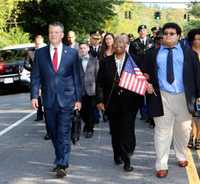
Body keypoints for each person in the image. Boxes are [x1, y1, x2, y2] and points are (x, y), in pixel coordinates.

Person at [145, 22, 200, 178]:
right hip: (161, 96)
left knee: (183, 131)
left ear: (179, 36)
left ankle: (181, 155)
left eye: (171, 34)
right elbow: (144, 73)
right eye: (166, 33)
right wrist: (146, 82)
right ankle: (161, 164)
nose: (168, 36)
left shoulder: (189, 54)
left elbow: (197, 75)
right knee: (162, 132)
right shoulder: (152, 54)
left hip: (184, 97)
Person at [31, 22, 81, 178]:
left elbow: (77, 77)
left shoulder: (72, 53)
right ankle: (60, 157)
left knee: (63, 132)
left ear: (62, 34)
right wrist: (34, 95)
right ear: (49, 34)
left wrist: (78, 99)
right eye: (51, 32)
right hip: (49, 100)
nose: (53, 35)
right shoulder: (40, 54)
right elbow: (36, 76)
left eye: (56, 32)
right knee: (52, 132)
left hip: (67, 99)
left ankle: (62, 163)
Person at [96, 35, 143, 172]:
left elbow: (141, 79)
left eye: (122, 42)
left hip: (130, 104)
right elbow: (99, 83)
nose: (118, 45)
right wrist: (99, 100)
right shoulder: (105, 62)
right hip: (111, 103)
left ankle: (127, 158)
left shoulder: (134, 61)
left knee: (127, 131)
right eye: (116, 42)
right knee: (115, 131)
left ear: (127, 44)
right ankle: (117, 153)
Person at [79, 42, 99, 138]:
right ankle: (87, 124)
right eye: (81, 48)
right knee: (82, 111)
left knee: (90, 110)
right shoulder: (77, 61)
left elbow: (97, 75)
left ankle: (90, 129)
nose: (82, 50)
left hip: (92, 89)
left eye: (84, 48)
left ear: (88, 49)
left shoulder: (94, 60)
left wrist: (98, 90)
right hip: (80, 90)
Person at [24, 35, 45, 122]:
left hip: (45, 76)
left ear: (42, 42)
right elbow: (25, 64)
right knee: (37, 95)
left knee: (45, 95)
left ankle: (48, 113)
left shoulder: (46, 51)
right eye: (36, 43)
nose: (38, 45)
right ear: (35, 43)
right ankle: (39, 114)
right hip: (35, 77)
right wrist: (33, 70)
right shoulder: (30, 52)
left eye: (39, 43)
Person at [187, 28, 200, 150]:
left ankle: (199, 138)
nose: (198, 41)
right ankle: (191, 136)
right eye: (196, 39)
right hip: (192, 89)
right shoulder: (188, 54)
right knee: (192, 115)